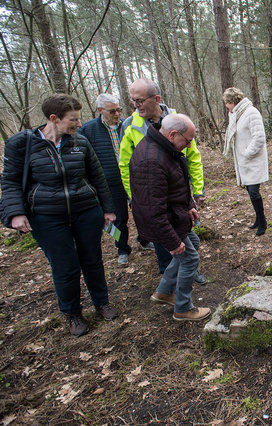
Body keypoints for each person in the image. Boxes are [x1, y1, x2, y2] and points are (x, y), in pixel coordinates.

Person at [1, 93, 118, 337]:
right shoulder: (23, 145)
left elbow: (97, 177)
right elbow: (10, 181)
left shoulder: (80, 142)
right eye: (72, 119)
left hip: (86, 211)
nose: (78, 123)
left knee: (92, 259)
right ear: (54, 118)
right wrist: (15, 213)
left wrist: (108, 209)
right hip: (47, 217)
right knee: (65, 266)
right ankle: (73, 313)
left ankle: (101, 302)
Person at [119, 78, 207, 282]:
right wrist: (135, 197)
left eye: (140, 100)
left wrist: (196, 192)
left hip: (176, 195)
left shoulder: (179, 121)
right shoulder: (130, 125)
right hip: (151, 196)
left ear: (156, 99)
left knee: (186, 237)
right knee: (163, 239)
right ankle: (168, 285)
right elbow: (124, 165)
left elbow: (192, 157)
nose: (135, 105)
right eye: (133, 100)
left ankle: (190, 272)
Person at [129, 113, 211, 321]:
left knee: (193, 241)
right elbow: (152, 209)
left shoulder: (165, 149)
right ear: (173, 134)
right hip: (166, 220)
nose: (189, 146)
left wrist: (189, 205)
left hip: (175, 214)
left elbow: (176, 186)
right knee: (190, 258)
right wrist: (171, 241)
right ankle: (183, 307)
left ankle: (164, 291)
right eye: (188, 141)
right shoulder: (152, 160)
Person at [78, 93, 131, 265]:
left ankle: (145, 239)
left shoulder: (127, 125)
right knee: (119, 218)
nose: (117, 114)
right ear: (100, 110)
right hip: (111, 184)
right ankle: (122, 248)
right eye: (112, 111)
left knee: (142, 211)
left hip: (132, 178)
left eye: (119, 110)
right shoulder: (88, 130)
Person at [223, 87, 269, 236]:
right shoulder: (236, 114)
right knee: (250, 192)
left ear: (232, 101)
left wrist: (247, 153)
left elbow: (259, 137)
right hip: (244, 162)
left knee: (254, 193)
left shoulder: (251, 112)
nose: (226, 106)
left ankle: (263, 222)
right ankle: (258, 218)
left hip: (253, 160)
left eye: (227, 103)